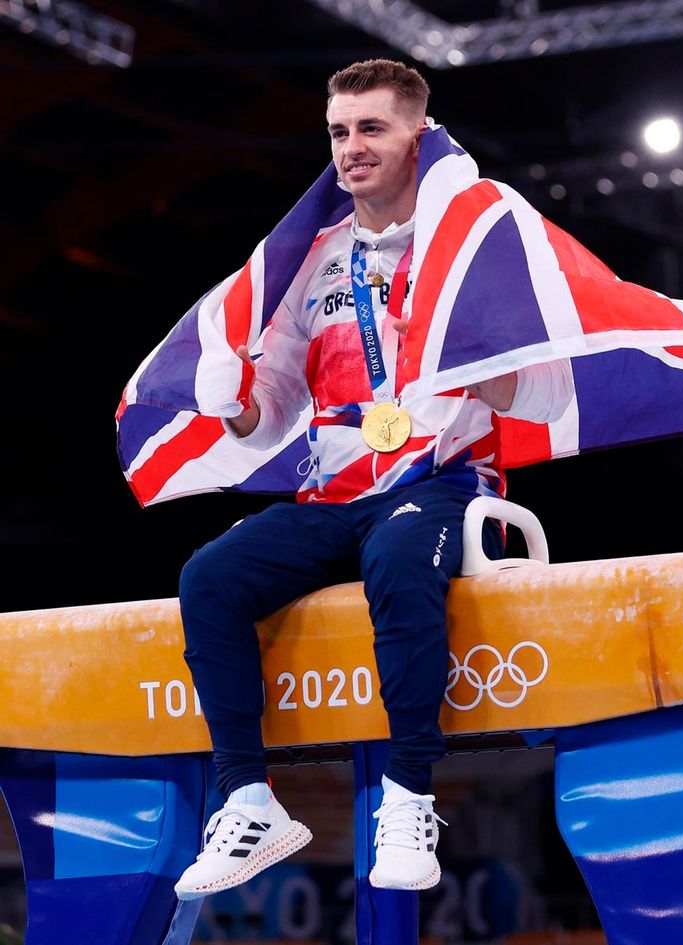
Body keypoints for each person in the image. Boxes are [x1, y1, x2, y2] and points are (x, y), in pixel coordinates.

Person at [174, 58, 572, 901]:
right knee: (208, 575)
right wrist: (231, 404)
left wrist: (465, 355)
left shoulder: (467, 248)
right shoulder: (308, 262)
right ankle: (248, 799)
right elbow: (274, 411)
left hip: (442, 484)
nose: (351, 149)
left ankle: (408, 795)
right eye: (339, 132)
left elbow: (545, 392)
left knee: (397, 558)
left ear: (417, 137)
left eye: (371, 128)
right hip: (334, 494)